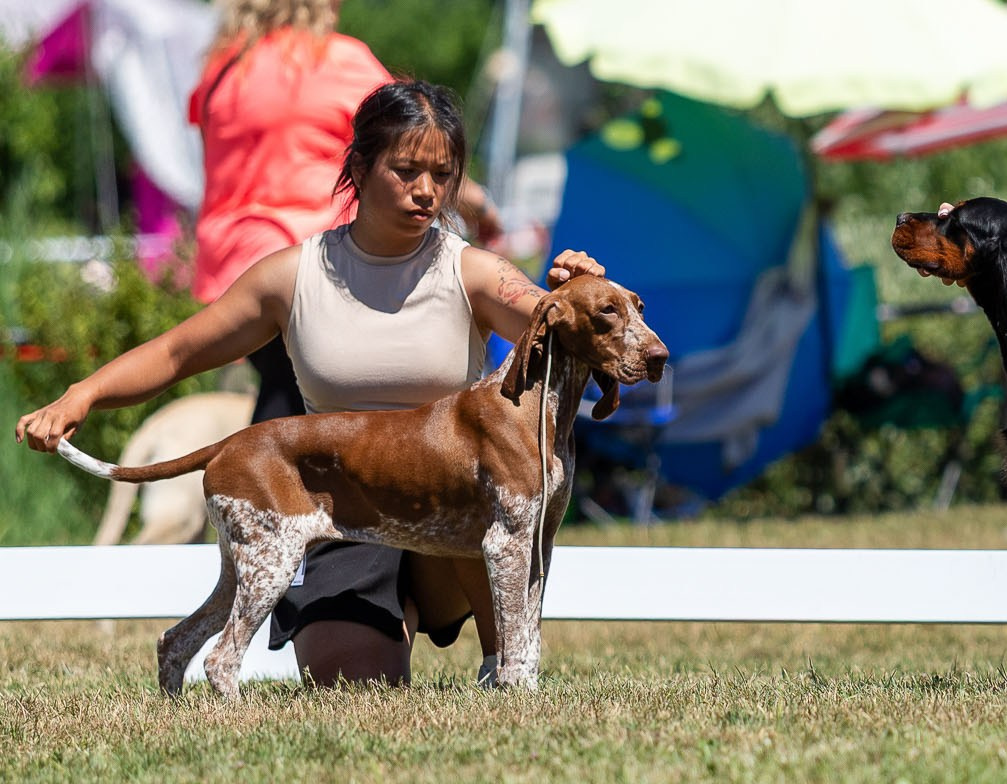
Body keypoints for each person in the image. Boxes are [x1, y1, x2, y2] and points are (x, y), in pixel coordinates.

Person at [18, 80, 598, 688]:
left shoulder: (474, 272)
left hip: (454, 513)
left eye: (442, 174)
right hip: (344, 507)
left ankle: (501, 665)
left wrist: (575, 291)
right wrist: (79, 395)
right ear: (360, 164)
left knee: (497, 498)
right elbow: (177, 351)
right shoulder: (292, 276)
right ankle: (380, 620)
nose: (426, 191)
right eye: (404, 170)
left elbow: (562, 327)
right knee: (354, 681)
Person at [189, 0, 501, 429]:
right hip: (306, 265)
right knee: (297, 411)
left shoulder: (223, 69)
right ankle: (271, 505)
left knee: (283, 393)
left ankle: (272, 500)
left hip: (230, 265)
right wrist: (482, 208)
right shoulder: (336, 61)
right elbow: (411, 144)